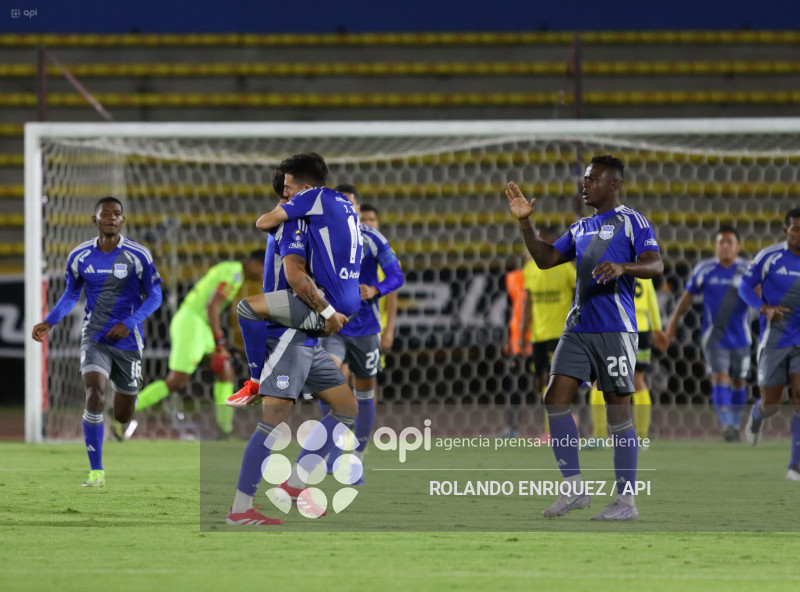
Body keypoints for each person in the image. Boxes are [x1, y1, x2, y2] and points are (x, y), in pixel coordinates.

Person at [505, 154, 663, 521]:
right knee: (555, 398)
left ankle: (626, 502)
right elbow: (545, 259)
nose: (585, 183)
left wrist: (625, 266)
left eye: (593, 179)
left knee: (617, 414)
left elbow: (656, 264)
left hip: (616, 329)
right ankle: (574, 488)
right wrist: (526, 223)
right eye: (585, 178)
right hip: (578, 328)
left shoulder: (633, 222)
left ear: (613, 185)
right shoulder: (581, 228)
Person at [225, 155, 360, 525]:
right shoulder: (293, 226)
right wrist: (330, 310)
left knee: (346, 408)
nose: (286, 199)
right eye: (283, 194)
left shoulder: (308, 220)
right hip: (286, 335)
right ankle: (240, 510)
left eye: (288, 191)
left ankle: (295, 483)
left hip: (307, 335)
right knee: (274, 420)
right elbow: (295, 275)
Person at [31, 197, 162, 488]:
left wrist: (128, 324)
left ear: (123, 220)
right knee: (93, 393)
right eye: (106, 214)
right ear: (95, 220)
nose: (111, 218)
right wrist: (49, 321)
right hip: (95, 338)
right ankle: (96, 472)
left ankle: (123, 416)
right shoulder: (80, 256)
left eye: (117, 214)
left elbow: (155, 296)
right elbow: (69, 295)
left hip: (128, 341)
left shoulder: (137, 255)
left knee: (122, 413)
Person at [319, 184, 405, 483]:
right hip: (333, 325)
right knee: (330, 381)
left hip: (366, 329)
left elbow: (397, 276)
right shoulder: (320, 238)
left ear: (356, 209)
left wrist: (376, 289)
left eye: (351, 205)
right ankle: (329, 449)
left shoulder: (372, 239)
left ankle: (357, 457)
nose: (346, 210)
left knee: (365, 391)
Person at [133, 250, 265, 439]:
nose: (261, 275)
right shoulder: (234, 273)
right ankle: (122, 411)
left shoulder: (231, 271)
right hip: (191, 323)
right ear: (254, 263)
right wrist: (219, 340)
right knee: (176, 382)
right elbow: (212, 306)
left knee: (224, 369)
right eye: (262, 270)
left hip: (201, 326)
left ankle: (224, 431)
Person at [666, 227, 751, 442]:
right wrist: (672, 323)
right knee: (720, 377)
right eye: (721, 242)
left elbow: (762, 295)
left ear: (737, 247)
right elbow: (686, 298)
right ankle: (728, 426)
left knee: (740, 381)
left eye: (729, 242)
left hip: (741, 335)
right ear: (715, 246)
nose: (724, 246)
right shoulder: (705, 269)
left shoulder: (747, 270)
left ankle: (735, 421)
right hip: (714, 337)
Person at [738, 210, 800, 481]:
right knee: (773, 403)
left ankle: (795, 466)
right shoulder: (770, 257)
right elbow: (744, 287)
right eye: (796, 229)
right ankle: (758, 413)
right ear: (786, 231)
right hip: (774, 339)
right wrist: (763, 308)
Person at [590, 277, 667, 443]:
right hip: (641, 331)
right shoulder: (643, 272)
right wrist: (657, 328)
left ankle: (599, 436)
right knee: (639, 380)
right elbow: (652, 300)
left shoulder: (611, 269)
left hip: (615, 328)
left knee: (599, 379)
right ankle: (641, 437)